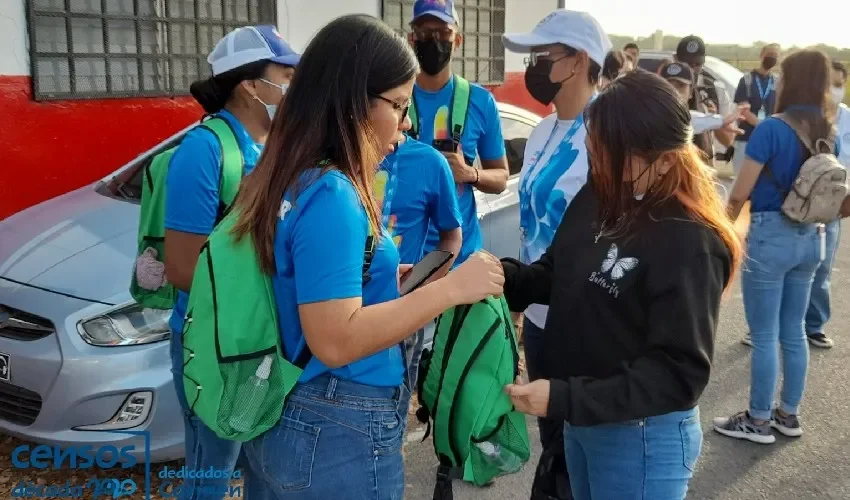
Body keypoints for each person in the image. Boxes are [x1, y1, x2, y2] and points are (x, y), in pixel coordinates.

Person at [229, 14, 504, 498]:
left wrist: (379, 282)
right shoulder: (334, 193)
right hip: (338, 419)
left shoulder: (289, 174)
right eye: (398, 104)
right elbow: (335, 340)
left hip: (292, 406)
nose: (402, 122)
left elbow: (306, 287)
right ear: (353, 99)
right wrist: (450, 289)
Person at [501, 69, 741, 499]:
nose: (597, 166)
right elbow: (559, 273)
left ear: (665, 159)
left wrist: (563, 398)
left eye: (611, 156)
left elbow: (677, 374)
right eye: (594, 151)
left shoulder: (688, 240)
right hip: (585, 423)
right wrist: (500, 277)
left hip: (642, 437)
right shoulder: (603, 191)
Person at [162, 25, 299, 499]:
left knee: (263, 461)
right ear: (249, 83)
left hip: (262, 342)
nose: (293, 83)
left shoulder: (277, 146)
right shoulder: (205, 150)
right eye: (286, 73)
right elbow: (180, 267)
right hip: (216, 344)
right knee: (212, 467)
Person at [501, 5, 609, 462]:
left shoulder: (608, 135)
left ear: (579, 61)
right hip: (541, 318)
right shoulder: (544, 129)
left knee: (581, 451)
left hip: (586, 319)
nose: (534, 67)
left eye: (544, 55)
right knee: (553, 446)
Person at [716, 49, 836, 444]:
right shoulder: (826, 130)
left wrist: (722, 229)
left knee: (764, 334)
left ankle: (758, 419)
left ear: (790, 81)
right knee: (794, 331)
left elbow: (740, 192)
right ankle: (789, 414)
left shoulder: (771, 129)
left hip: (771, 236)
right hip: (812, 238)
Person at [407, 0, 509, 265]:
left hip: (460, 259)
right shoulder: (395, 97)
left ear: (458, 40)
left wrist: (469, 173)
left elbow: (501, 178)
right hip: (405, 258)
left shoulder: (480, 101)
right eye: (424, 33)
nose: (433, 40)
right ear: (411, 39)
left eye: (443, 33)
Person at [376, 137, 463, 416]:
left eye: (403, 105)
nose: (406, 122)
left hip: (401, 316)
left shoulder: (428, 161)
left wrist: (423, 291)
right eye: (395, 105)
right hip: (344, 308)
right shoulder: (333, 154)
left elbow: (451, 237)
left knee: (392, 421)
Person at [804, 60, 847, 348]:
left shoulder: (847, 118)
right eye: (828, 83)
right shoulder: (802, 117)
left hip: (833, 204)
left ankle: (814, 324)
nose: (833, 90)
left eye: (838, 84)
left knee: (821, 268)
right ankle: (768, 324)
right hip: (799, 202)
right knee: (789, 266)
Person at [675, 35, 736, 162]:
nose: (692, 69)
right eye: (687, 64)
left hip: (704, 165)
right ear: (675, 60)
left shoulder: (715, 90)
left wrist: (712, 120)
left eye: (697, 64)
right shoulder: (664, 87)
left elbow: (728, 140)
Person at [731, 44, 780, 177]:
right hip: (747, 138)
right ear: (761, 55)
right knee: (742, 179)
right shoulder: (747, 80)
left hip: (768, 141)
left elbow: (778, 110)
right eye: (769, 54)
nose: (772, 58)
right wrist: (762, 126)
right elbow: (743, 110)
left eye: (775, 56)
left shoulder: (777, 82)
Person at [661, 62, 747, 136]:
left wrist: (722, 121)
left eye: (681, 86)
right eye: (668, 85)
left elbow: (692, 120)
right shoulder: (651, 114)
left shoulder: (688, 118)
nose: (674, 91)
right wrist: (722, 121)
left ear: (691, 93)